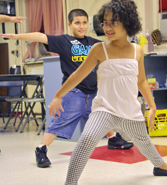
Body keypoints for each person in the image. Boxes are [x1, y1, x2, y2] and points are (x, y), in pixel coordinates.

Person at [47, 0, 167, 185]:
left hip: (130, 110)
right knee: (86, 142)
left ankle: (160, 165)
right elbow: (77, 75)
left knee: (144, 142)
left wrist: (152, 105)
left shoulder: (137, 51)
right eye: (105, 22)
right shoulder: (100, 49)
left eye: (114, 22)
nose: (108, 27)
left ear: (128, 23)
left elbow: (141, 81)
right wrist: (57, 96)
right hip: (105, 110)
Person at [0, 9, 133, 168]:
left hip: (93, 91)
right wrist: (17, 37)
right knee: (60, 121)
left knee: (101, 116)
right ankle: (41, 149)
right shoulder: (64, 41)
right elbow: (40, 36)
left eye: (84, 22)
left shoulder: (94, 43)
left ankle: (112, 140)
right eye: (77, 23)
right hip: (75, 91)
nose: (81, 26)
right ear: (70, 24)